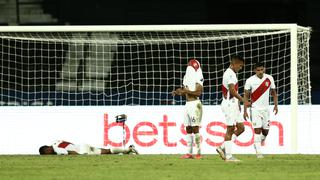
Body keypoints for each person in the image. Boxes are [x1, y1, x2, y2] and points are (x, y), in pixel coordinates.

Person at [216, 55, 250, 162]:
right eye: (240, 66)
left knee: (241, 128)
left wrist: (237, 103)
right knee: (230, 129)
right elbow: (232, 90)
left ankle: (222, 147)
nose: (241, 68)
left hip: (233, 103)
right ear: (234, 63)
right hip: (229, 104)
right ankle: (229, 156)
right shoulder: (230, 74)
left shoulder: (232, 73)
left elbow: (233, 91)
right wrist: (243, 100)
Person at [243, 62, 278, 158]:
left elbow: (274, 92)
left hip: (266, 109)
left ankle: (257, 143)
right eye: (258, 70)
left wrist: (276, 105)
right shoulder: (250, 80)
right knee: (257, 130)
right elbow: (246, 96)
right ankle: (259, 152)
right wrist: (245, 110)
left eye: (262, 69)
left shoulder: (269, 78)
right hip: (255, 109)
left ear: (264, 69)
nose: (260, 72)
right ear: (254, 71)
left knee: (265, 132)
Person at [172, 58, 204, 159]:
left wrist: (185, 91)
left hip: (195, 104)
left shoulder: (199, 76)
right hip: (187, 104)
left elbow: (199, 93)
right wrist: (178, 92)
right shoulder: (186, 77)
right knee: (188, 128)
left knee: (195, 128)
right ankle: (189, 153)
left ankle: (198, 153)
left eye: (191, 66)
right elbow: (184, 90)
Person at [39, 140, 139, 155]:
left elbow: (67, 152)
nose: (48, 154)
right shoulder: (57, 141)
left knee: (101, 156)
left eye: (46, 153)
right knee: (107, 151)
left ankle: (124, 154)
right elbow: (70, 143)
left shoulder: (56, 149)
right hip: (82, 145)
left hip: (81, 151)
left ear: (47, 149)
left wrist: (79, 155)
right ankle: (127, 150)